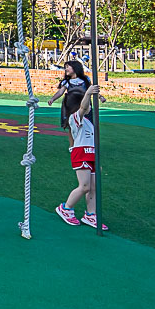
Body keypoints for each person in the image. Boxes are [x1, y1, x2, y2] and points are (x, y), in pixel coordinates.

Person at [55, 84, 106, 229]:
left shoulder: (90, 123)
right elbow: (83, 108)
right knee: (84, 186)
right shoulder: (75, 118)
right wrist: (88, 93)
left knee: (93, 187)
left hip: (92, 153)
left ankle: (91, 215)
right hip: (81, 152)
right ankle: (66, 208)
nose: (89, 106)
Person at [48, 59, 92, 130]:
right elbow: (60, 92)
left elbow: (91, 89)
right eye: (65, 67)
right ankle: (73, 141)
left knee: (84, 124)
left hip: (84, 104)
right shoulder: (67, 82)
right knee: (72, 125)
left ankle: (82, 140)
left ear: (75, 68)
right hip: (71, 106)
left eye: (68, 67)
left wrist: (100, 97)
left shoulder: (85, 80)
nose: (66, 69)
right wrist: (53, 99)